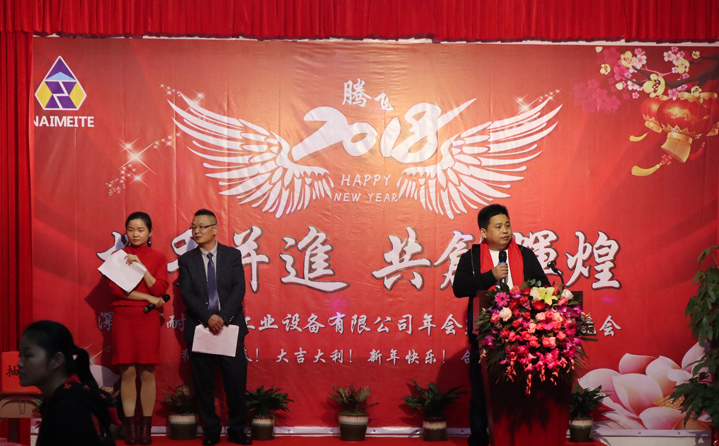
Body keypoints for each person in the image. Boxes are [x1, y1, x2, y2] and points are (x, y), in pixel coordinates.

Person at [452, 204, 549, 446]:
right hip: (485, 336)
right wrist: (490, 276)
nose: (505, 230)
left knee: (521, 391)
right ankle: (479, 439)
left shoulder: (525, 255)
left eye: (507, 225)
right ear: (484, 232)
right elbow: (459, 288)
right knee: (481, 393)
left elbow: (544, 287)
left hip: (524, 336)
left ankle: (520, 439)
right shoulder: (471, 258)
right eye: (498, 226)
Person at [179, 209, 251, 446]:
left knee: (235, 382)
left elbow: (239, 288)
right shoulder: (187, 260)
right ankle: (211, 430)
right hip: (201, 328)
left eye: (202, 227)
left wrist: (222, 317)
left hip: (230, 327)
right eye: (193, 227)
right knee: (204, 384)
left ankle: (237, 429)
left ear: (215, 229)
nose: (196, 231)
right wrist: (208, 317)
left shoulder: (232, 255)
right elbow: (186, 293)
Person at [107, 211, 169, 445]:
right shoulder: (118, 256)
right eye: (131, 230)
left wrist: (142, 268)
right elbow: (116, 290)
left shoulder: (159, 257)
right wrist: (147, 298)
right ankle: (130, 427)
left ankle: (146, 427)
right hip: (124, 319)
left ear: (150, 232)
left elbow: (159, 290)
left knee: (147, 373)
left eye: (141, 230)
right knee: (128, 373)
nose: (135, 234)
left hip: (147, 320)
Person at [18, 320, 116, 446]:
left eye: (28, 355)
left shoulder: (69, 408)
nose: (19, 363)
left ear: (57, 360)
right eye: (20, 356)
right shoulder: (63, 399)